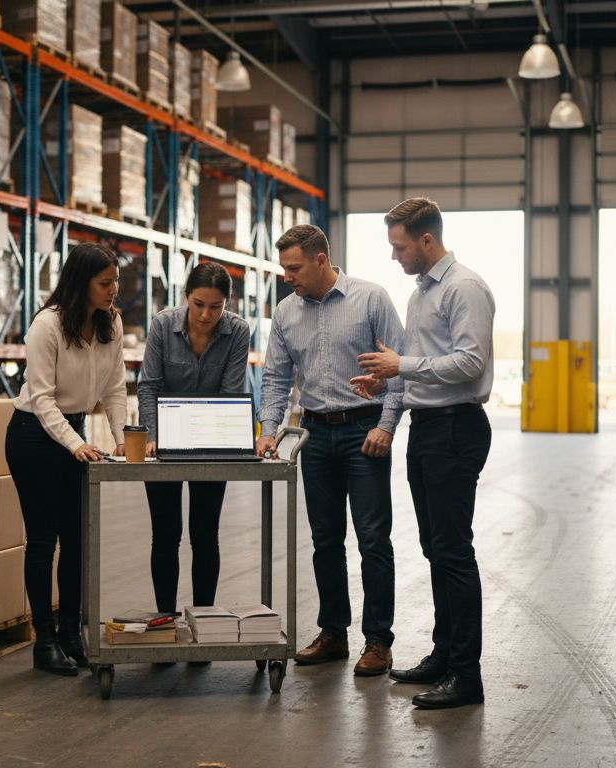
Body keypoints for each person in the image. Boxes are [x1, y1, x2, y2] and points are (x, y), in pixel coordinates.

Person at [352, 197, 495, 710]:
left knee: (454, 552)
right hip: (428, 427)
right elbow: (419, 364)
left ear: (426, 240)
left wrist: (403, 366)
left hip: (456, 429)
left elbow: (469, 363)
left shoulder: (464, 288)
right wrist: (388, 377)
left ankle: (466, 674)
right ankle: (444, 655)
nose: (394, 256)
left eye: (399, 245)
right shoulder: (420, 293)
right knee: (437, 550)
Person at [255, 224, 406, 677]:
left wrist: (386, 426)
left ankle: (378, 641)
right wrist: (268, 429)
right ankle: (334, 633)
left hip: (365, 433)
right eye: (284, 268)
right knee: (325, 541)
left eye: (294, 267)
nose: (287, 276)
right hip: (314, 435)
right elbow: (277, 378)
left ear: (321, 260)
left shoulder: (371, 299)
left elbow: (398, 370)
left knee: (373, 540)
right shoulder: (285, 312)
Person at [6, 242, 128, 677]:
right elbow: (40, 397)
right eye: (105, 282)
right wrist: (74, 444)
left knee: (77, 541)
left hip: (73, 432)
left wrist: (121, 440)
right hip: (33, 436)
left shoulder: (110, 322)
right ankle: (45, 641)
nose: (114, 290)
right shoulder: (48, 325)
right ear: (82, 282)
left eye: (116, 281)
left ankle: (73, 633)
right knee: (43, 541)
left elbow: (115, 390)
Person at [138, 261, 251, 614]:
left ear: (227, 303)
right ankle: (166, 621)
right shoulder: (161, 325)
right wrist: (153, 436)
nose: (206, 314)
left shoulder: (238, 332)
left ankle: (205, 621)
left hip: (211, 446)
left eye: (216, 306)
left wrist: (215, 437)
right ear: (186, 296)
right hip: (163, 445)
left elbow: (231, 394)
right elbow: (149, 386)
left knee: (205, 536)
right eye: (199, 304)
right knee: (166, 536)